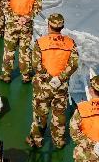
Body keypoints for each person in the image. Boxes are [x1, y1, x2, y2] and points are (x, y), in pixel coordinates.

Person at [27, 13, 79, 150]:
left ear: (49, 25)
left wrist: (49, 78)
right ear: (62, 27)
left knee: (40, 113)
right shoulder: (70, 43)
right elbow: (73, 64)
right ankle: (59, 141)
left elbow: (36, 65)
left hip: (42, 86)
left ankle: (36, 139)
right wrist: (60, 78)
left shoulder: (41, 43)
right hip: (60, 87)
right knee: (59, 114)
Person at [0, 0, 42, 83]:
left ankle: (6, 75)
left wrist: (16, 18)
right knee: (25, 50)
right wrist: (27, 17)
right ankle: (26, 76)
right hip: (26, 24)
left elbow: (5, 5)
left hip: (13, 23)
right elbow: (38, 7)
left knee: (9, 49)